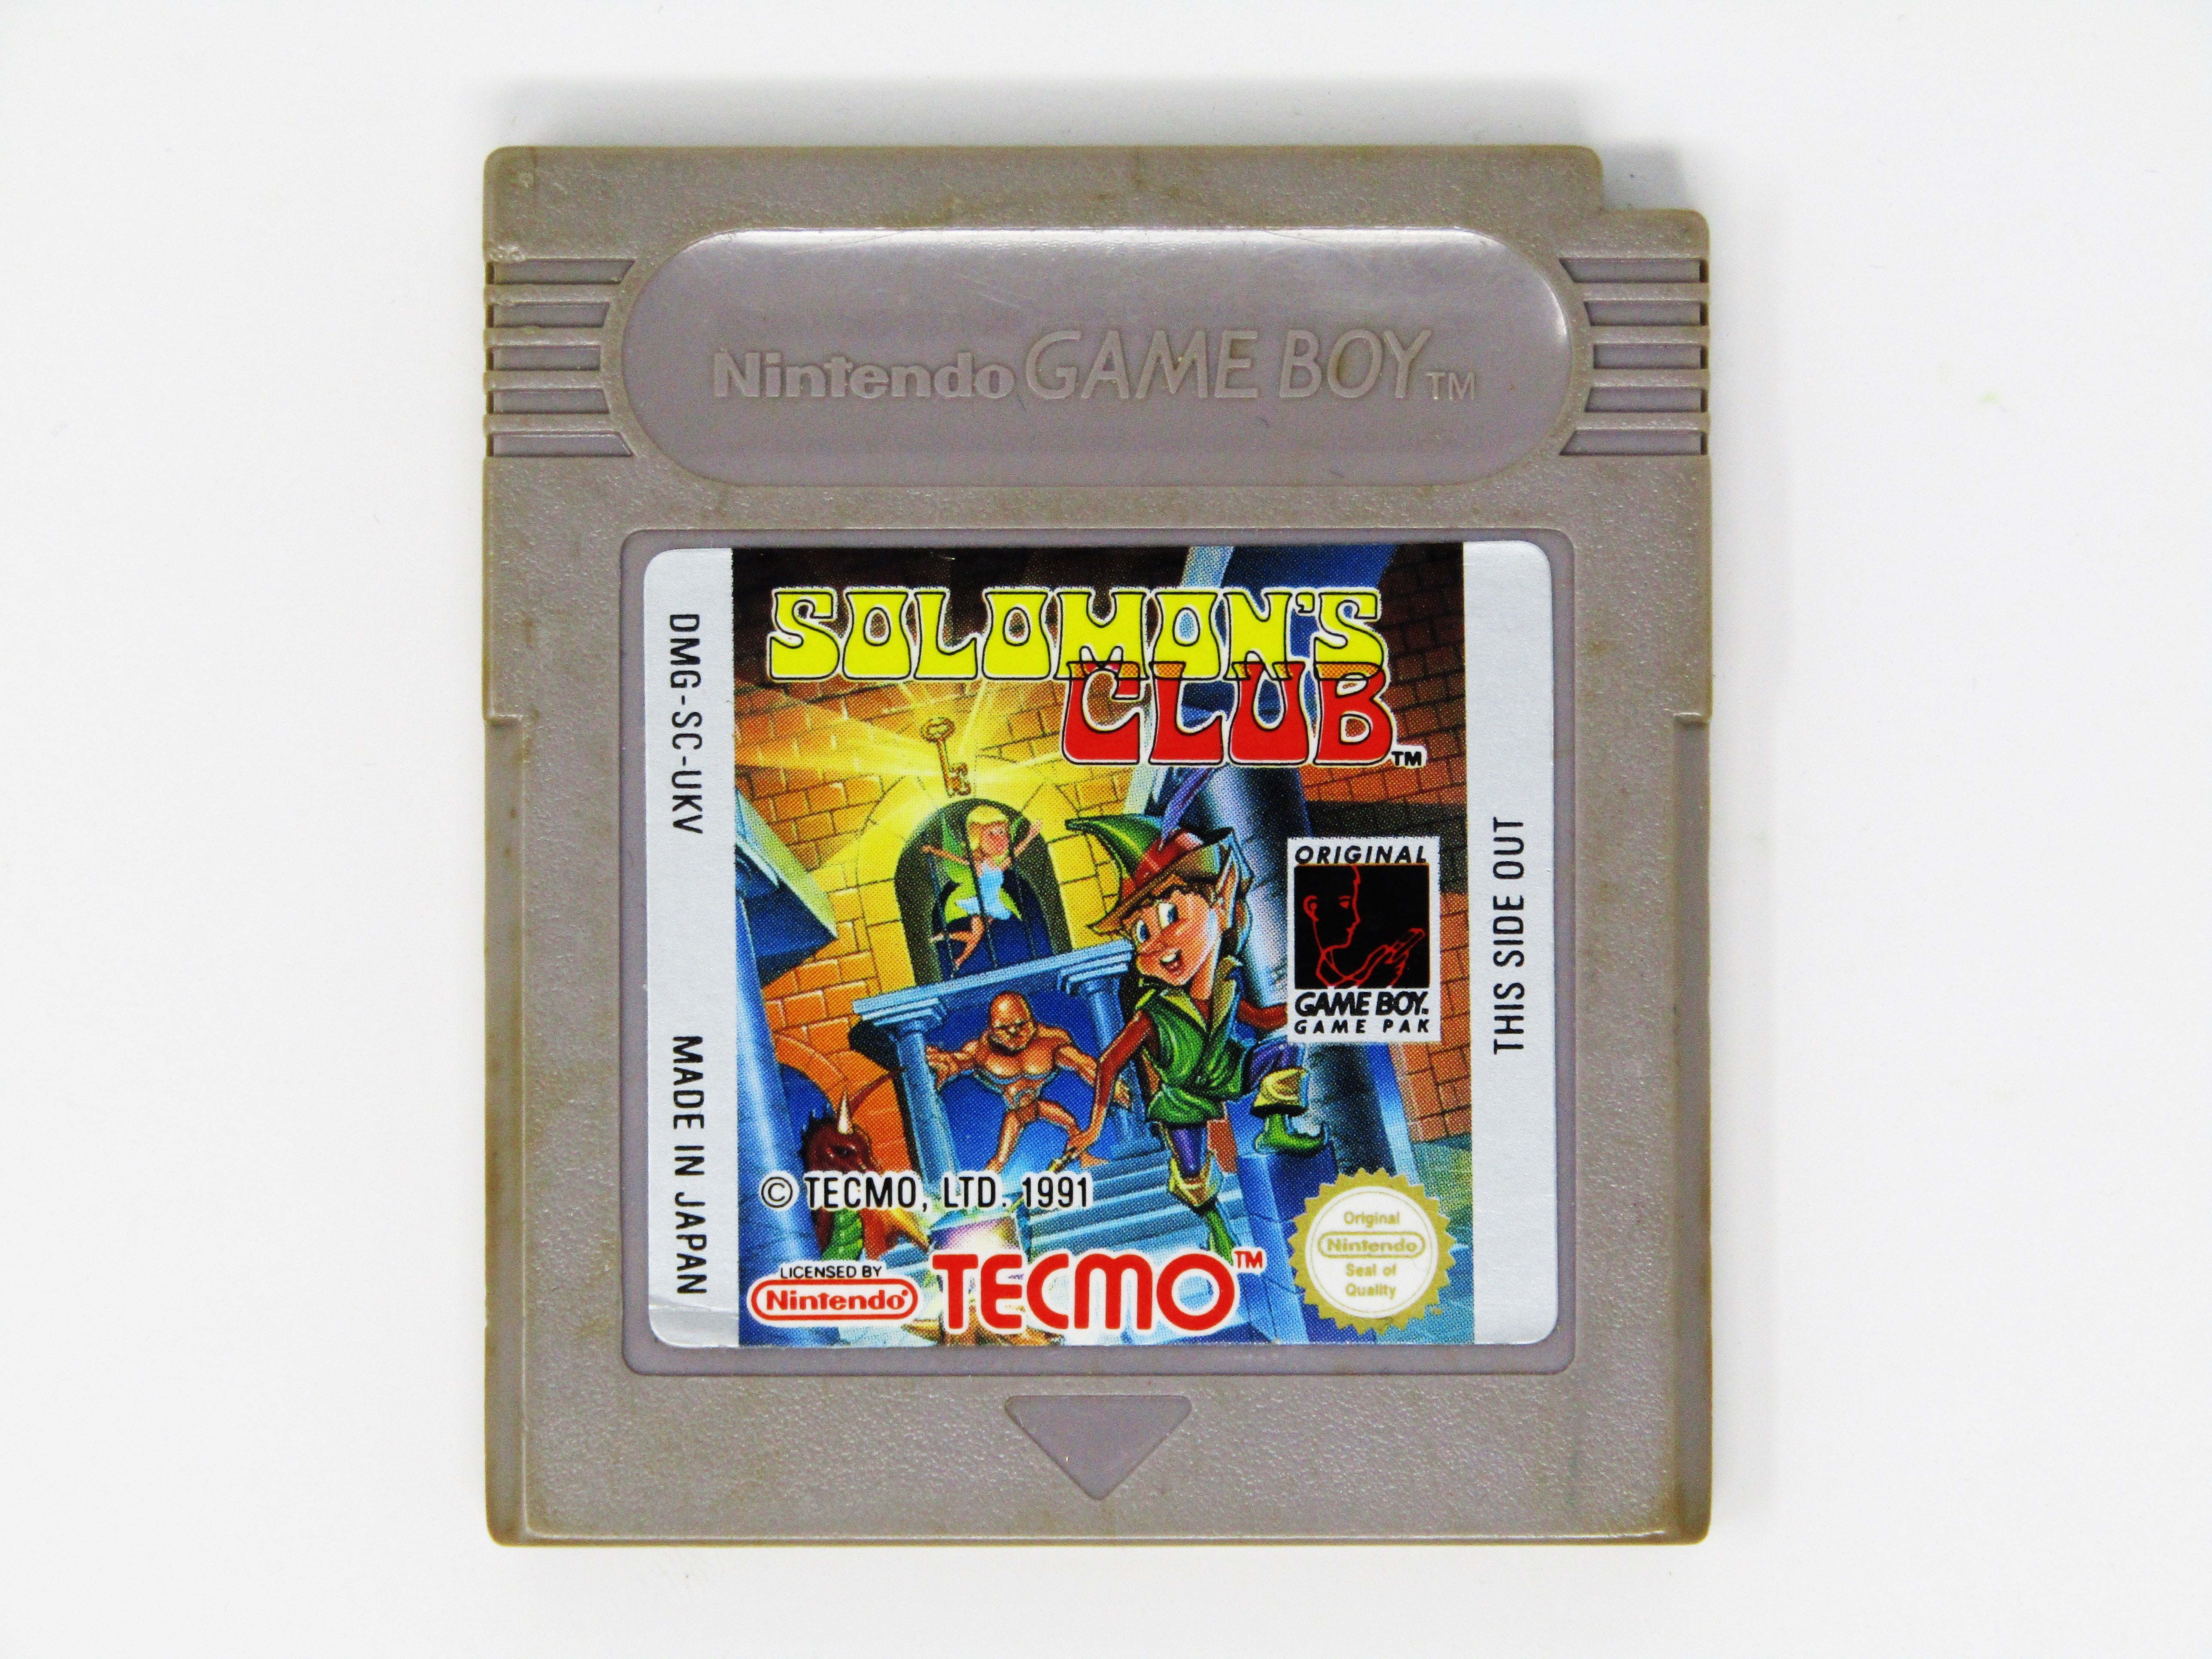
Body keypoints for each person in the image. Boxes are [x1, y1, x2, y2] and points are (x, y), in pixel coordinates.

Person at [1064, 782, 1326, 1261]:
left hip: (1227, 1072)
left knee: (1285, 1048)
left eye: (1171, 915)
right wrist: (1095, 1127)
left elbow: (1260, 1017)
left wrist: (1312, 1006)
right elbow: (1110, 1062)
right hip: (1182, 1099)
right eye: (1142, 932)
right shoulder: (1153, 1012)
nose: (1157, 943)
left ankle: (1276, 1126)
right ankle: (1218, 1230)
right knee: (1193, 1173)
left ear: (1220, 905)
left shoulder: (1226, 981)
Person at [924, 991, 1127, 1173]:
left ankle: (1087, 1158)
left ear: (1033, 1021)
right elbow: (958, 1062)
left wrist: (1111, 1083)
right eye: (1004, 1028)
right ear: (992, 1030)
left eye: (1021, 1024)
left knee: (1072, 1127)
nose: (1014, 1032)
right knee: (1000, 1160)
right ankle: (982, 1190)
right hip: (1016, 1114)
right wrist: (946, 1065)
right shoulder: (981, 1052)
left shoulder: (1050, 1042)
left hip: (1039, 1106)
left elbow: (1082, 1064)